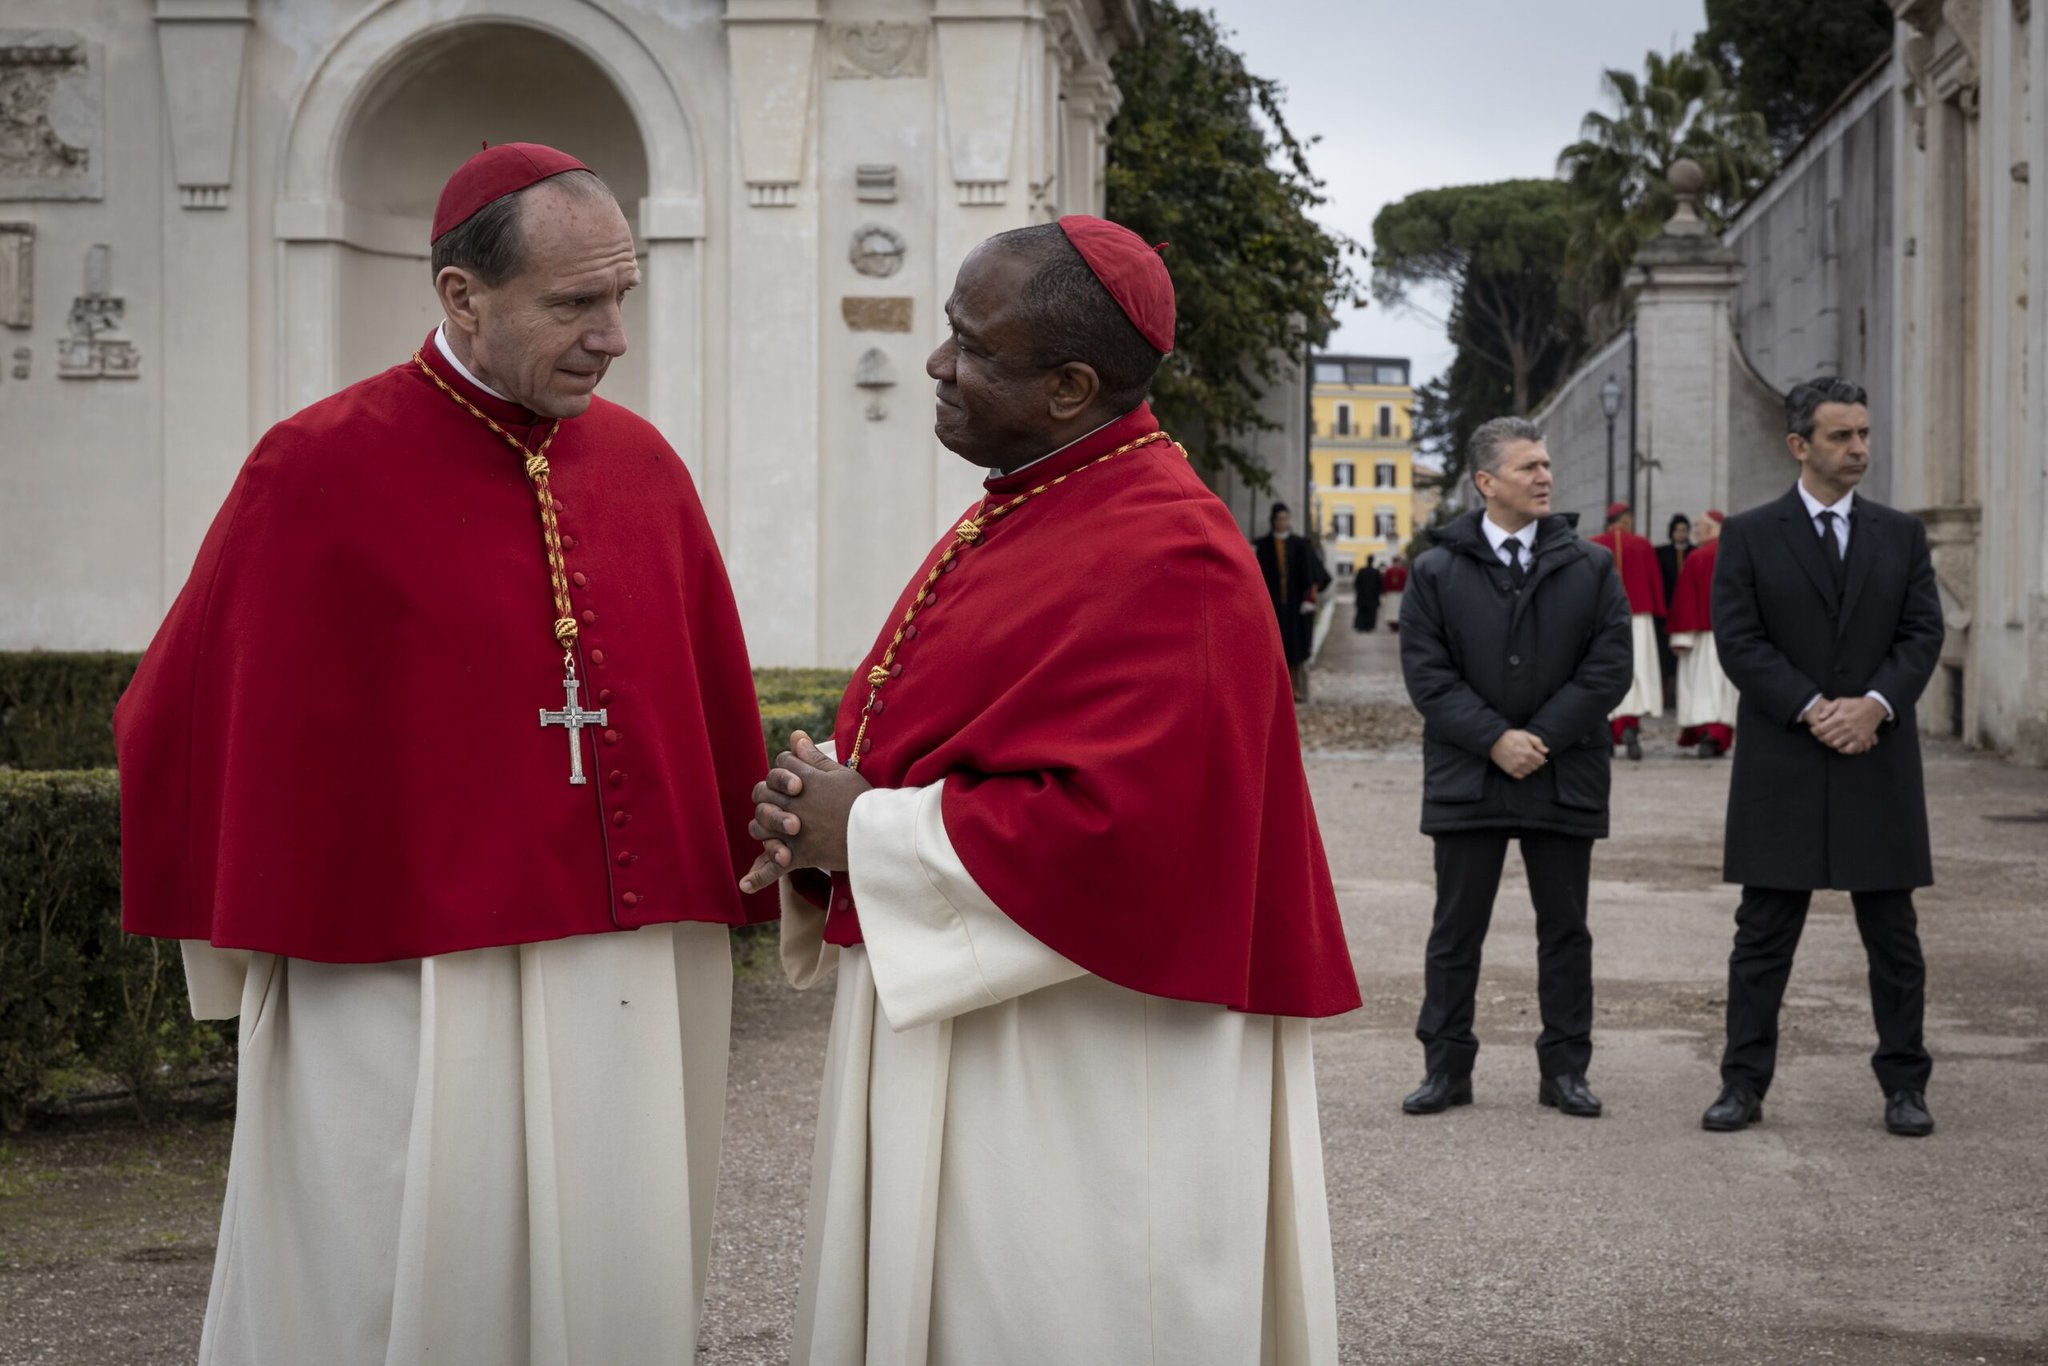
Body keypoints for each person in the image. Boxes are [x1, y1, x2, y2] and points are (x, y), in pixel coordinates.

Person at [114, 144, 773, 1364]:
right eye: (576, 303)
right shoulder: (316, 465)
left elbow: (707, 714)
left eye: (622, 295)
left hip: (621, 980)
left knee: (612, 1272)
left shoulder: (643, 468)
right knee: (383, 1270)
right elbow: (183, 711)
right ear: (462, 296)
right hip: (398, 981)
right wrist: (245, 924)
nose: (612, 335)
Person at [741, 216, 1360, 1364]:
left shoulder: (1172, 552)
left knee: (1056, 1309)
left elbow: (1124, 835)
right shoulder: (1033, 497)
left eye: (972, 347)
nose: (937, 365)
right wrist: (830, 812)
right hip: (990, 1022)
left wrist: (866, 825)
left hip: (1082, 1062)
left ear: (1071, 385)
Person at [1702, 377, 1944, 1138]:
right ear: (1799, 445)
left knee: (1894, 939)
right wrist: (1813, 708)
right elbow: (1739, 640)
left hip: (1878, 757)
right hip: (1785, 760)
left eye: (1865, 434)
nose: (1859, 449)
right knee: (1763, 936)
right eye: (1842, 437)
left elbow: (1921, 634)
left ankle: (1906, 1085)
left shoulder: (1901, 535)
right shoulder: (1746, 534)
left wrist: (1874, 705)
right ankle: (1742, 1084)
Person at [1397, 417, 1632, 1120]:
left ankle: (1565, 1071)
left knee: (1565, 930)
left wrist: (1542, 739)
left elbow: (1609, 668)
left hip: (1563, 773)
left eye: (1547, 465)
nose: (1545, 478)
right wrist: (1496, 739)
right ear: (1485, 482)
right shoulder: (1435, 571)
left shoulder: (1591, 566)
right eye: (1529, 467)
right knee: (1455, 929)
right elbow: (1427, 677)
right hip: (1471, 776)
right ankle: (1446, 1068)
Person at [1588, 501, 1666, 759]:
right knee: (1637, 670)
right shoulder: (1641, 544)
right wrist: (1659, 610)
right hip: (1638, 615)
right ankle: (1630, 727)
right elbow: (1655, 580)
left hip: (1602, 616)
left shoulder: (1593, 543)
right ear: (1623, 520)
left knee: (1603, 667)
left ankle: (1608, 733)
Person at [1668, 509, 1736, 757]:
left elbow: (1685, 601)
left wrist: (1681, 637)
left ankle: (1708, 735)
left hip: (1703, 637)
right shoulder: (1736, 552)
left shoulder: (1697, 557)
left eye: (1698, 525)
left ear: (1710, 528)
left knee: (1703, 686)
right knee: (1724, 688)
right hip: (1733, 635)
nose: (1694, 529)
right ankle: (1718, 735)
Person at [1256, 502, 1332, 702]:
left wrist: (1309, 598)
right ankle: (1275, 691)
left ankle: (1294, 688)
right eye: (1280, 519)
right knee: (1273, 649)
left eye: (1286, 518)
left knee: (1295, 648)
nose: (1283, 522)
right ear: (1273, 521)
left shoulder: (1300, 545)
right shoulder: (1263, 546)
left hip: (1295, 606)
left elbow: (1315, 575)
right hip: (1272, 606)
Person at [1656, 513, 1692, 701]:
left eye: (1685, 530)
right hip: (1667, 610)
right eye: (1678, 530)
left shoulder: (1694, 552)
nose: (1681, 534)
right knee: (1664, 655)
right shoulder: (1661, 553)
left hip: (1686, 610)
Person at [1354, 555, 1385, 632]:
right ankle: (1369, 626)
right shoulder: (1376, 572)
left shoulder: (1361, 571)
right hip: (1372, 597)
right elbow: (1380, 585)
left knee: (1362, 612)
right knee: (1371, 613)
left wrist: (1359, 592)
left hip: (1362, 596)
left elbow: (1356, 584)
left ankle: (1361, 626)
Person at [1381, 554, 1409, 631]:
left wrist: (1385, 591)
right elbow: (1406, 582)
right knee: (1398, 608)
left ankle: (1392, 624)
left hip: (1391, 593)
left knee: (1391, 609)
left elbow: (1385, 582)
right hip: (1399, 593)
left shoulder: (1389, 570)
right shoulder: (1403, 571)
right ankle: (1397, 624)